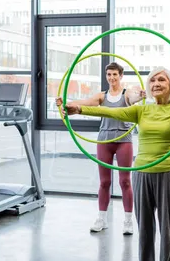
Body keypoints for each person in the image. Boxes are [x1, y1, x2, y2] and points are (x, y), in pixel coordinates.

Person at [64, 66, 170, 261]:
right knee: (145, 231)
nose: (157, 83)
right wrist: (79, 108)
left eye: (162, 79)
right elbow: (110, 111)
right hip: (142, 174)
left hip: (167, 172)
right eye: (153, 80)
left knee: (167, 232)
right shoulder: (142, 109)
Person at [56, 62, 145, 234]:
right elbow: (85, 103)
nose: (111, 78)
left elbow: (134, 98)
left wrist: (140, 96)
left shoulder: (126, 94)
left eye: (115, 75)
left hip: (123, 140)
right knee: (104, 182)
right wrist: (65, 103)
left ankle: (128, 221)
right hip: (104, 140)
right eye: (109, 74)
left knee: (125, 181)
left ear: (121, 76)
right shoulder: (101, 96)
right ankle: (102, 219)